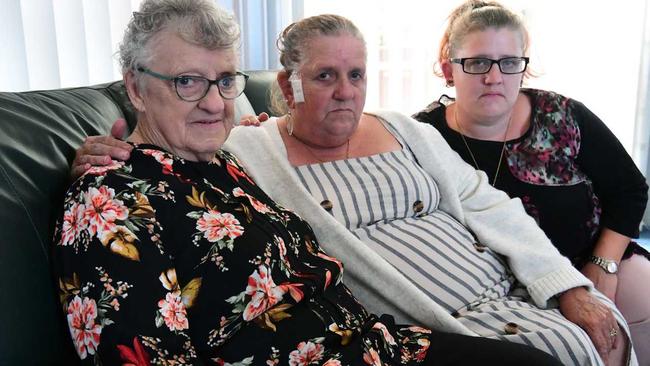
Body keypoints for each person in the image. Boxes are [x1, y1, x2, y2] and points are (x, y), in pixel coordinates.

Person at [70, 12, 635, 366]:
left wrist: (569, 285)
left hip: (374, 334)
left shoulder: (224, 163)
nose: (214, 102)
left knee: (588, 340)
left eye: (223, 82)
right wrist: (103, 156)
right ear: (287, 90)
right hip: (377, 334)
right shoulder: (241, 152)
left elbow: (489, 204)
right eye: (188, 81)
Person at [411, 1, 650, 364]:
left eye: (509, 63)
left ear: (523, 67)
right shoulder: (422, 137)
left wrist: (604, 266)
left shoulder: (563, 115)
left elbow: (629, 189)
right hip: (492, 290)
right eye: (477, 63)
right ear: (449, 69)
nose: (495, 78)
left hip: (591, 260)